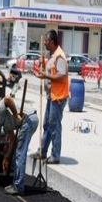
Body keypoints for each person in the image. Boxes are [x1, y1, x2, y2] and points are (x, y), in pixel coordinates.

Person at [0, 96, 39, 195]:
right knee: (18, 152)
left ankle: (18, 186)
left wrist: (16, 115)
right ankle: (17, 182)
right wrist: (7, 157)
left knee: (20, 154)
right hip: (31, 120)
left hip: (28, 119)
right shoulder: (4, 125)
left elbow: (8, 99)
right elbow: (13, 140)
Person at [34, 30, 69, 164]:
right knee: (47, 125)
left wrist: (45, 76)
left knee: (54, 126)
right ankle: (42, 151)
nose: (44, 43)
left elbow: (62, 75)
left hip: (58, 97)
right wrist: (42, 69)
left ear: (52, 42)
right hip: (51, 95)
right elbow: (49, 70)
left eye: (46, 41)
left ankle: (55, 155)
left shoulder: (59, 56)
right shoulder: (52, 55)